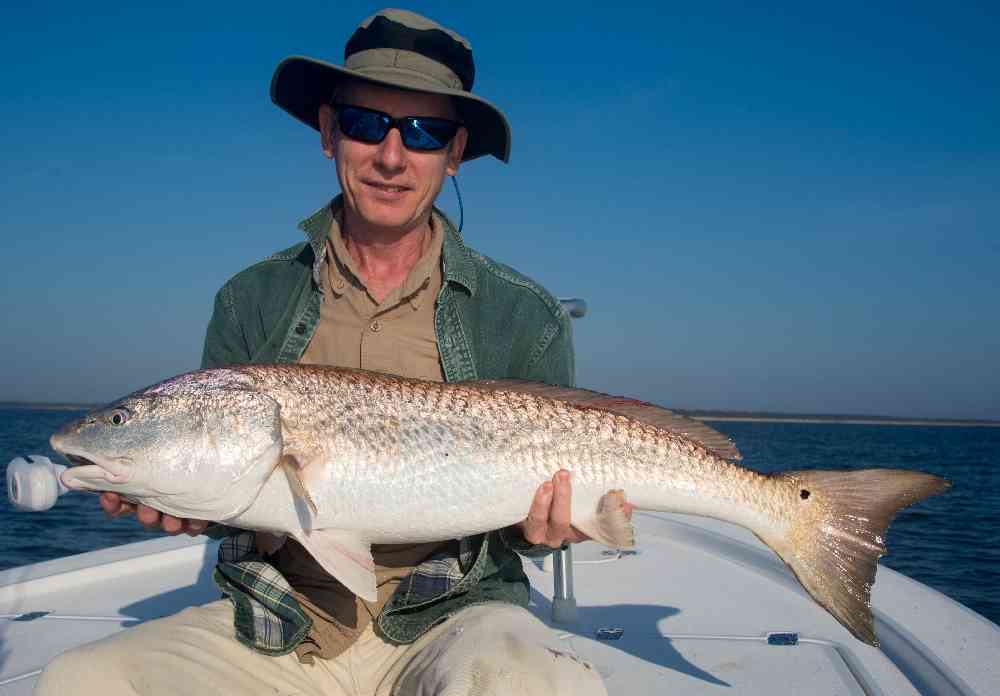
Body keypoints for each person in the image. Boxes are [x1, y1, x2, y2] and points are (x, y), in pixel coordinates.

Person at [36, 9, 611, 696]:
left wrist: (555, 526)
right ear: (329, 132)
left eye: (424, 132)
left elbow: (520, 533)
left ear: (455, 152)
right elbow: (234, 487)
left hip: (456, 618)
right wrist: (181, 501)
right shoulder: (249, 299)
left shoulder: (525, 314)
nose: (392, 156)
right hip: (279, 622)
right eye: (368, 123)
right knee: (81, 680)